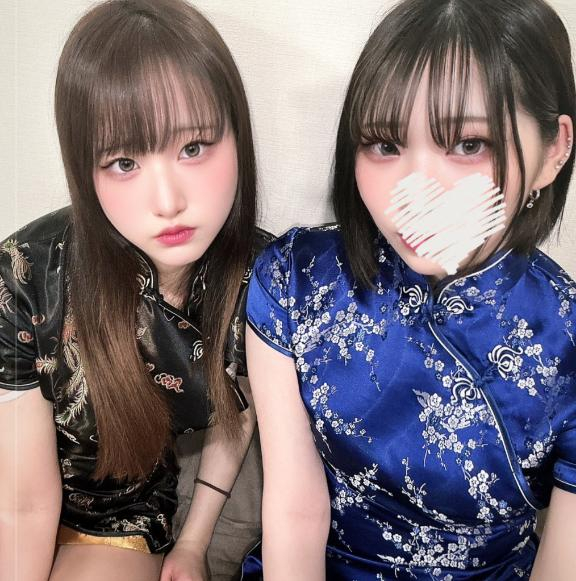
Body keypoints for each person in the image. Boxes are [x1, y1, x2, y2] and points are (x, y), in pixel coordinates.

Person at [241, 0, 576, 579]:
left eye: (468, 144)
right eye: (385, 145)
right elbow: (295, 510)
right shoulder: (294, 279)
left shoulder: (566, 334)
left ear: (553, 151)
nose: (414, 191)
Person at [0, 1, 270, 580]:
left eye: (193, 148)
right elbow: (21, 506)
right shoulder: (27, 276)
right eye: (124, 162)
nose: (168, 201)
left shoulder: (266, 276)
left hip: (115, 519)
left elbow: (237, 413)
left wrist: (193, 544)